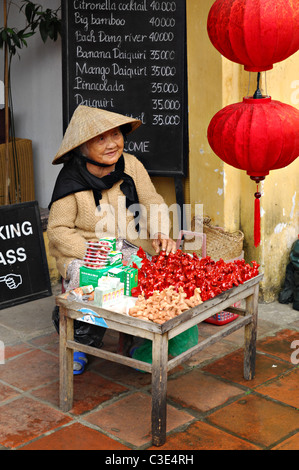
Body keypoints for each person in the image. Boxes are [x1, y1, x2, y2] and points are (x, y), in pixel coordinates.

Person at [47, 105, 177, 373]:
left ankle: (139, 335)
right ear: (82, 147)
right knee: (90, 284)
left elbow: (151, 201)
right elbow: (59, 229)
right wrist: (94, 254)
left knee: (154, 273)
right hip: (84, 251)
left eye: (116, 135)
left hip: (127, 244)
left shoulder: (130, 164)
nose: (112, 144)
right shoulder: (71, 180)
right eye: (101, 138)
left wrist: (160, 231)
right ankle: (79, 341)